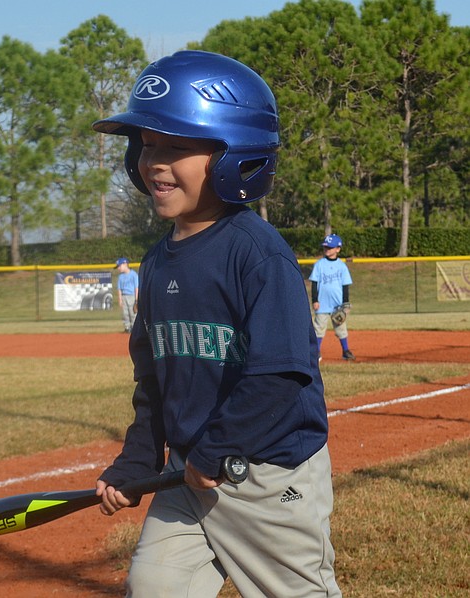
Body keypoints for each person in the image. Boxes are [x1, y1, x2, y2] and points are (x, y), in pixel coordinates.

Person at [91, 51, 341, 597]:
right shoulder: (156, 263)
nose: (154, 160)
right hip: (189, 472)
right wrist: (137, 459)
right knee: (155, 587)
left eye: (176, 146)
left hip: (266, 476)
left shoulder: (258, 255)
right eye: (146, 143)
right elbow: (154, 382)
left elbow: (280, 376)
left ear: (235, 154)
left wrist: (212, 450)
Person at [310, 234, 355, 361]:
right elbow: (314, 283)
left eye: (330, 248)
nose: (327, 250)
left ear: (338, 249)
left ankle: (345, 351)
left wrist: (345, 303)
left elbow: (345, 285)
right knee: (319, 328)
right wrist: (315, 300)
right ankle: (316, 352)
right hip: (322, 303)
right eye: (325, 247)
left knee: (341, 328)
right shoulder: (319, 265)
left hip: (337, 304)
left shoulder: (342, 266)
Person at [115, 257, 139, 333]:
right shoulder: (120, 277)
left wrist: (136, 299)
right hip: (124, 296)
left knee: (132, 313)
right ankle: (127, 327)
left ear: (125, 264)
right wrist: (120, 299)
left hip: (132, 296)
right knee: (125, 313)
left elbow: (136, 288)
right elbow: (119, 289)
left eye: (119, 266)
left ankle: (134, 328)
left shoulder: (133, 274)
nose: (118, 268)